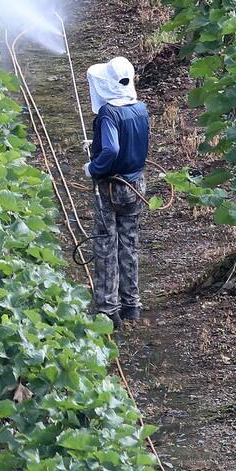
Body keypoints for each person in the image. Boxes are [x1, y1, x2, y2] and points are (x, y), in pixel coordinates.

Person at [85, 56, 150, 325]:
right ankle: (131, 305)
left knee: (105, 244)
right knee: (129, 244)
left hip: (111, 187)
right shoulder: (141, 109)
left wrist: (93, 167)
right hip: (136, 186)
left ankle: (108, 309)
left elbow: (111, 149)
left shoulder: (108, 114)